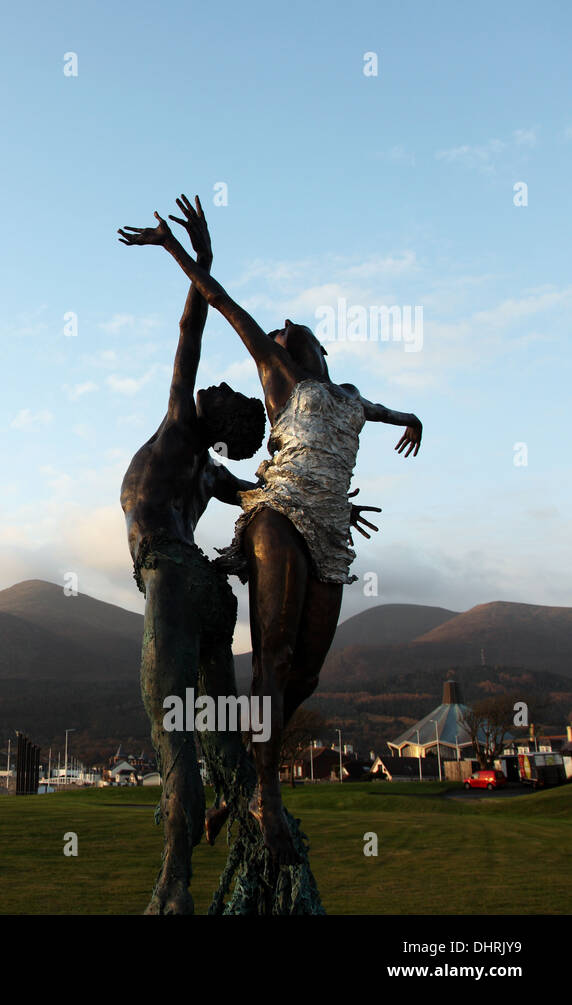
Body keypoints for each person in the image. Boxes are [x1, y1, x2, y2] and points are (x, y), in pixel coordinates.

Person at [118, 202, 414, 861]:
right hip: (239, 545)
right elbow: (211, 310)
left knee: (282, 680)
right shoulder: (249, 415)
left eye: (287, 333)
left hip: (260, 547)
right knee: (250, 676)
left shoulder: (336, 399)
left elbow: (384, 410)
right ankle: (255, 796)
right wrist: (190, 253)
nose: (275, 338)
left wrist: (410, 422)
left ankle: (232, 793)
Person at [120, 195, 265, 913]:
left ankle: (174, 889)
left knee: (175, 735)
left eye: (229, 395)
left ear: (219, 421)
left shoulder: (183, 425)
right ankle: (270, 851)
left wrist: (196, 262)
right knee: (222, 740)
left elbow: (190, 330)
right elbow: (263, 504)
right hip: (210, 593)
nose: (216, 386)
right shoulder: (215, 477)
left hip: (174, 581)